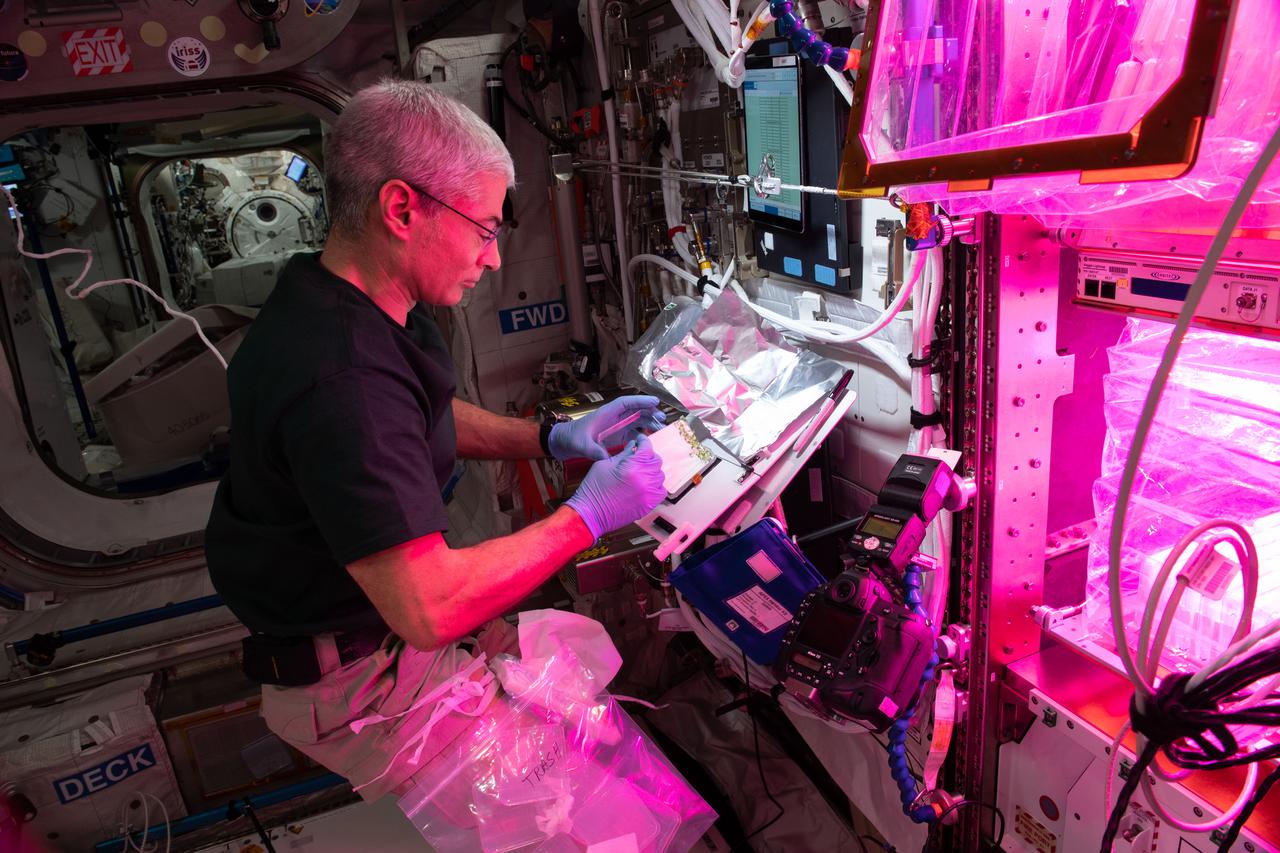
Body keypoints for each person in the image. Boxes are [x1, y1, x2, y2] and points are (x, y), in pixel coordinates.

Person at [203, 79, 667, 802]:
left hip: (383, 632)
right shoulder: (339, 378)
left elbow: (422, 415)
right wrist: (590, 516)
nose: (493, 259)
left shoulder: (349, 301)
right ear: (401, 207)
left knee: (597, 730)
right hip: (363, 678)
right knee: (582, 810)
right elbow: (430, 608)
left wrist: (551, 438)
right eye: (483, 229)